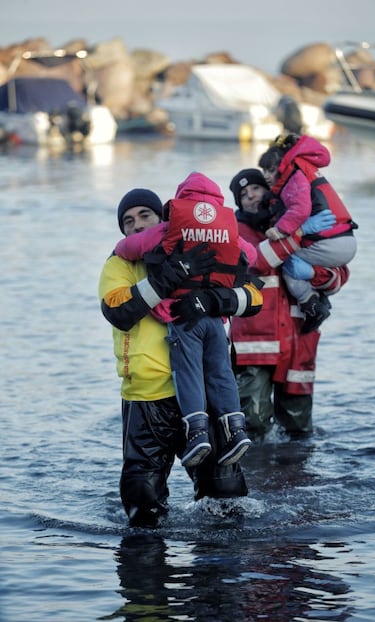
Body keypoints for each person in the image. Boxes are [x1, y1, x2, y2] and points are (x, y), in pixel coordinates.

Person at [98, 187, 263, 528]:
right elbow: (118, 311)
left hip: (203, 394)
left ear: (163, 220)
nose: (137, 225)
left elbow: (254, 297)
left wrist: (214, 301)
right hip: (148, 397)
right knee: (142, 503)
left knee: (226, 498)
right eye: (128, 221)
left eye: (145, 216)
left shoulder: (202, 251)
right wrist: (168, 278)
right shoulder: (118, 263)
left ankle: (219, 576)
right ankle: (145, 573)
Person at [228, 168, 351, 439]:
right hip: (253, 346)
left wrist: (315, 274)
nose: (251, 197)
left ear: (270, 190)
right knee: (253, 424)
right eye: (243, 195)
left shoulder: (299, 221)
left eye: (256, 189)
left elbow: (339, 276)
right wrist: (297, 234)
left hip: (298, 340)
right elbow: (258, 262)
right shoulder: (235, 232)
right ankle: (253, 477)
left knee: (299, 428)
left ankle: (298, 477)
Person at [258, 133, 358, 333]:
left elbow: (300, 209)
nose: (267, 176)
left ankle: (312, 305)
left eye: (270, 170)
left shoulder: (294, 176)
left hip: (329, 242)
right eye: (263, 171)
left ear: (282, 164)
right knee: (296, 264)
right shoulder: (306, 170)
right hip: (343, 240)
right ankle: (319, 301)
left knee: (287, 263)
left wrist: (282, 230)